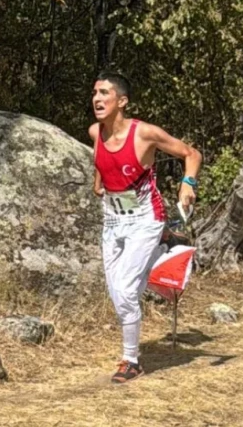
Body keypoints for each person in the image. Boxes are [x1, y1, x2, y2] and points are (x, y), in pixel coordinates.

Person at [89, 71, 202, 384]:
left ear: (122, 101)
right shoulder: (95, 132)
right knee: (118, 292)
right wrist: (98, 182)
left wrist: (188, 184)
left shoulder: (144, 133)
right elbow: (102, 161)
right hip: (112, 220)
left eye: (104, 93)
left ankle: (131, 361)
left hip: (145, 219)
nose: (97, 99)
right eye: (95, 93)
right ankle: (163, 252)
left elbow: (191, 154)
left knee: (126, 291)